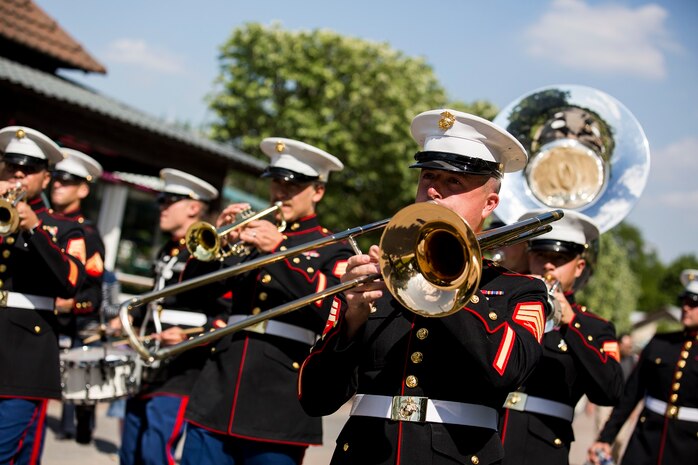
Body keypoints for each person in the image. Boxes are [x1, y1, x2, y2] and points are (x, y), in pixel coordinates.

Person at [297, 109, 551, 465]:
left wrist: (445, 280)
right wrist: (351, 320)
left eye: (454, 183)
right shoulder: (377, 277)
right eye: (429, 177)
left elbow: (505, 373)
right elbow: (315, 399)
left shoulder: (519, 290)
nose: (433, 189)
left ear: (490, 203)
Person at [179, 138, 354, 465]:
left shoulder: (334, 246)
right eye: (277, 182)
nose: (281, 192)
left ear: (317, 191)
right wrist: (216, 245)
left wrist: (280, 253)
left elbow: (332, 314)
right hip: (219, 389)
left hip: (278, 399)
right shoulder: (251, 235)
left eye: (294, 185)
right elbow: (191, 295)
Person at [498, 210, 624, 464]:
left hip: (542, 449)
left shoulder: (593, 327)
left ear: (579, 267)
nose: (547, 265)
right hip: (489, 439)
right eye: (540, 255)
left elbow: (611, 390)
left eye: (559, 258)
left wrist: (571, 324)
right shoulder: (501, 307)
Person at [119, 168, 226, 465]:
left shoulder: (211, 251)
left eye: (169, 202)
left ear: (193, 207)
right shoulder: (169, 250)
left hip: (183, 367)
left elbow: (225, 314)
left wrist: (188, 334)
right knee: (130, 452)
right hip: (151, 359)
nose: (161, 208)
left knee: (156, 453)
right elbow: (160, 298)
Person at [0, 126, 87, 464]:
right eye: (11, 166)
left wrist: (34, 230)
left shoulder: (63, 228)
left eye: (29, 168)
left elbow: (70, 282)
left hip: (25, 358)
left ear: (46, 179)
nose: (18, 174)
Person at [587, 269, 698, 465]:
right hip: (645, 443)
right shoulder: (660, 344)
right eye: (685, 301)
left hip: (688, 449)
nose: (686, 307)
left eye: (694, 303)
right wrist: (605, 438)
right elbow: (631, 394)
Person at [50, 148, 106, 444]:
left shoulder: (87, 233)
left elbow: (93, 292)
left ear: (83, 189)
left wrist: (73, 303)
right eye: (56, 178)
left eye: (67, 181)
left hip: (78, 324)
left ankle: (81, 428)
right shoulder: (43, 225)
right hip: (50, 321)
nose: (58, 185)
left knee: (81, 388)